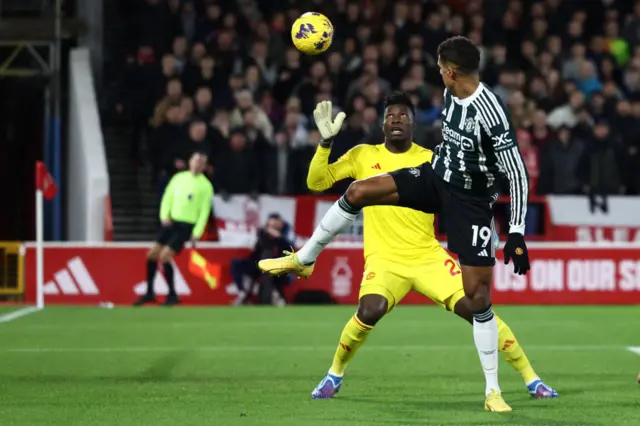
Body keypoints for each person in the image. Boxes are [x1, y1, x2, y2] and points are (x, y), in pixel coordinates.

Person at [259, 36, 533, 412]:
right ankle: (304, 259)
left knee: (478, 299)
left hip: (468, 203)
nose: (438, 72)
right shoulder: (447, 95)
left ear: (452, 72)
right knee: (356, 192)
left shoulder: (491, 113)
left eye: (440, 67)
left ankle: (493, 391)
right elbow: (318, 183)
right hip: (436, 178)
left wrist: (515, 231)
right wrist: (325, 145)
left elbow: (516, 171)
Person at [134, 151, 214, 306]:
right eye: (195, 161)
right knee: (151, 255)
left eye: (201, 163)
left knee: (164, 256)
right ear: (190, 161)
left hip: (186, 226)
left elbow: (205, 212)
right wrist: (164, 215)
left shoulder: (206, 186)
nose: (197, 165)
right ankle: (150, 292)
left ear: (204, 166)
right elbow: (167, 197)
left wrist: (197, 232)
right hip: (171, 223)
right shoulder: (178, 178)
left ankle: (172, 294)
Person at [230, 214, 293, 305]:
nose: (272, 228)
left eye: (275, 225)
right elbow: (259, 250)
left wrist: (279, 237)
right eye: (271, 225)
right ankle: (241, 292)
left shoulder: (286, 234)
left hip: (278, 266)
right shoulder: (263, 235)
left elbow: (289, 249)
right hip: (259, 264)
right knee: (236, 263)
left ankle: (277, 295)